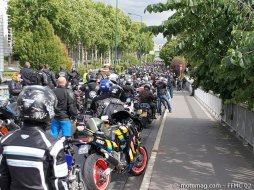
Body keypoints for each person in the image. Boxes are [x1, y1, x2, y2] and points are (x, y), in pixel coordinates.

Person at [0, 85, 68, 190]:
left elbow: (3, 177)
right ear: (47, 109)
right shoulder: (53, 144)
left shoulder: (5, 140)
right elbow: (59, 183)